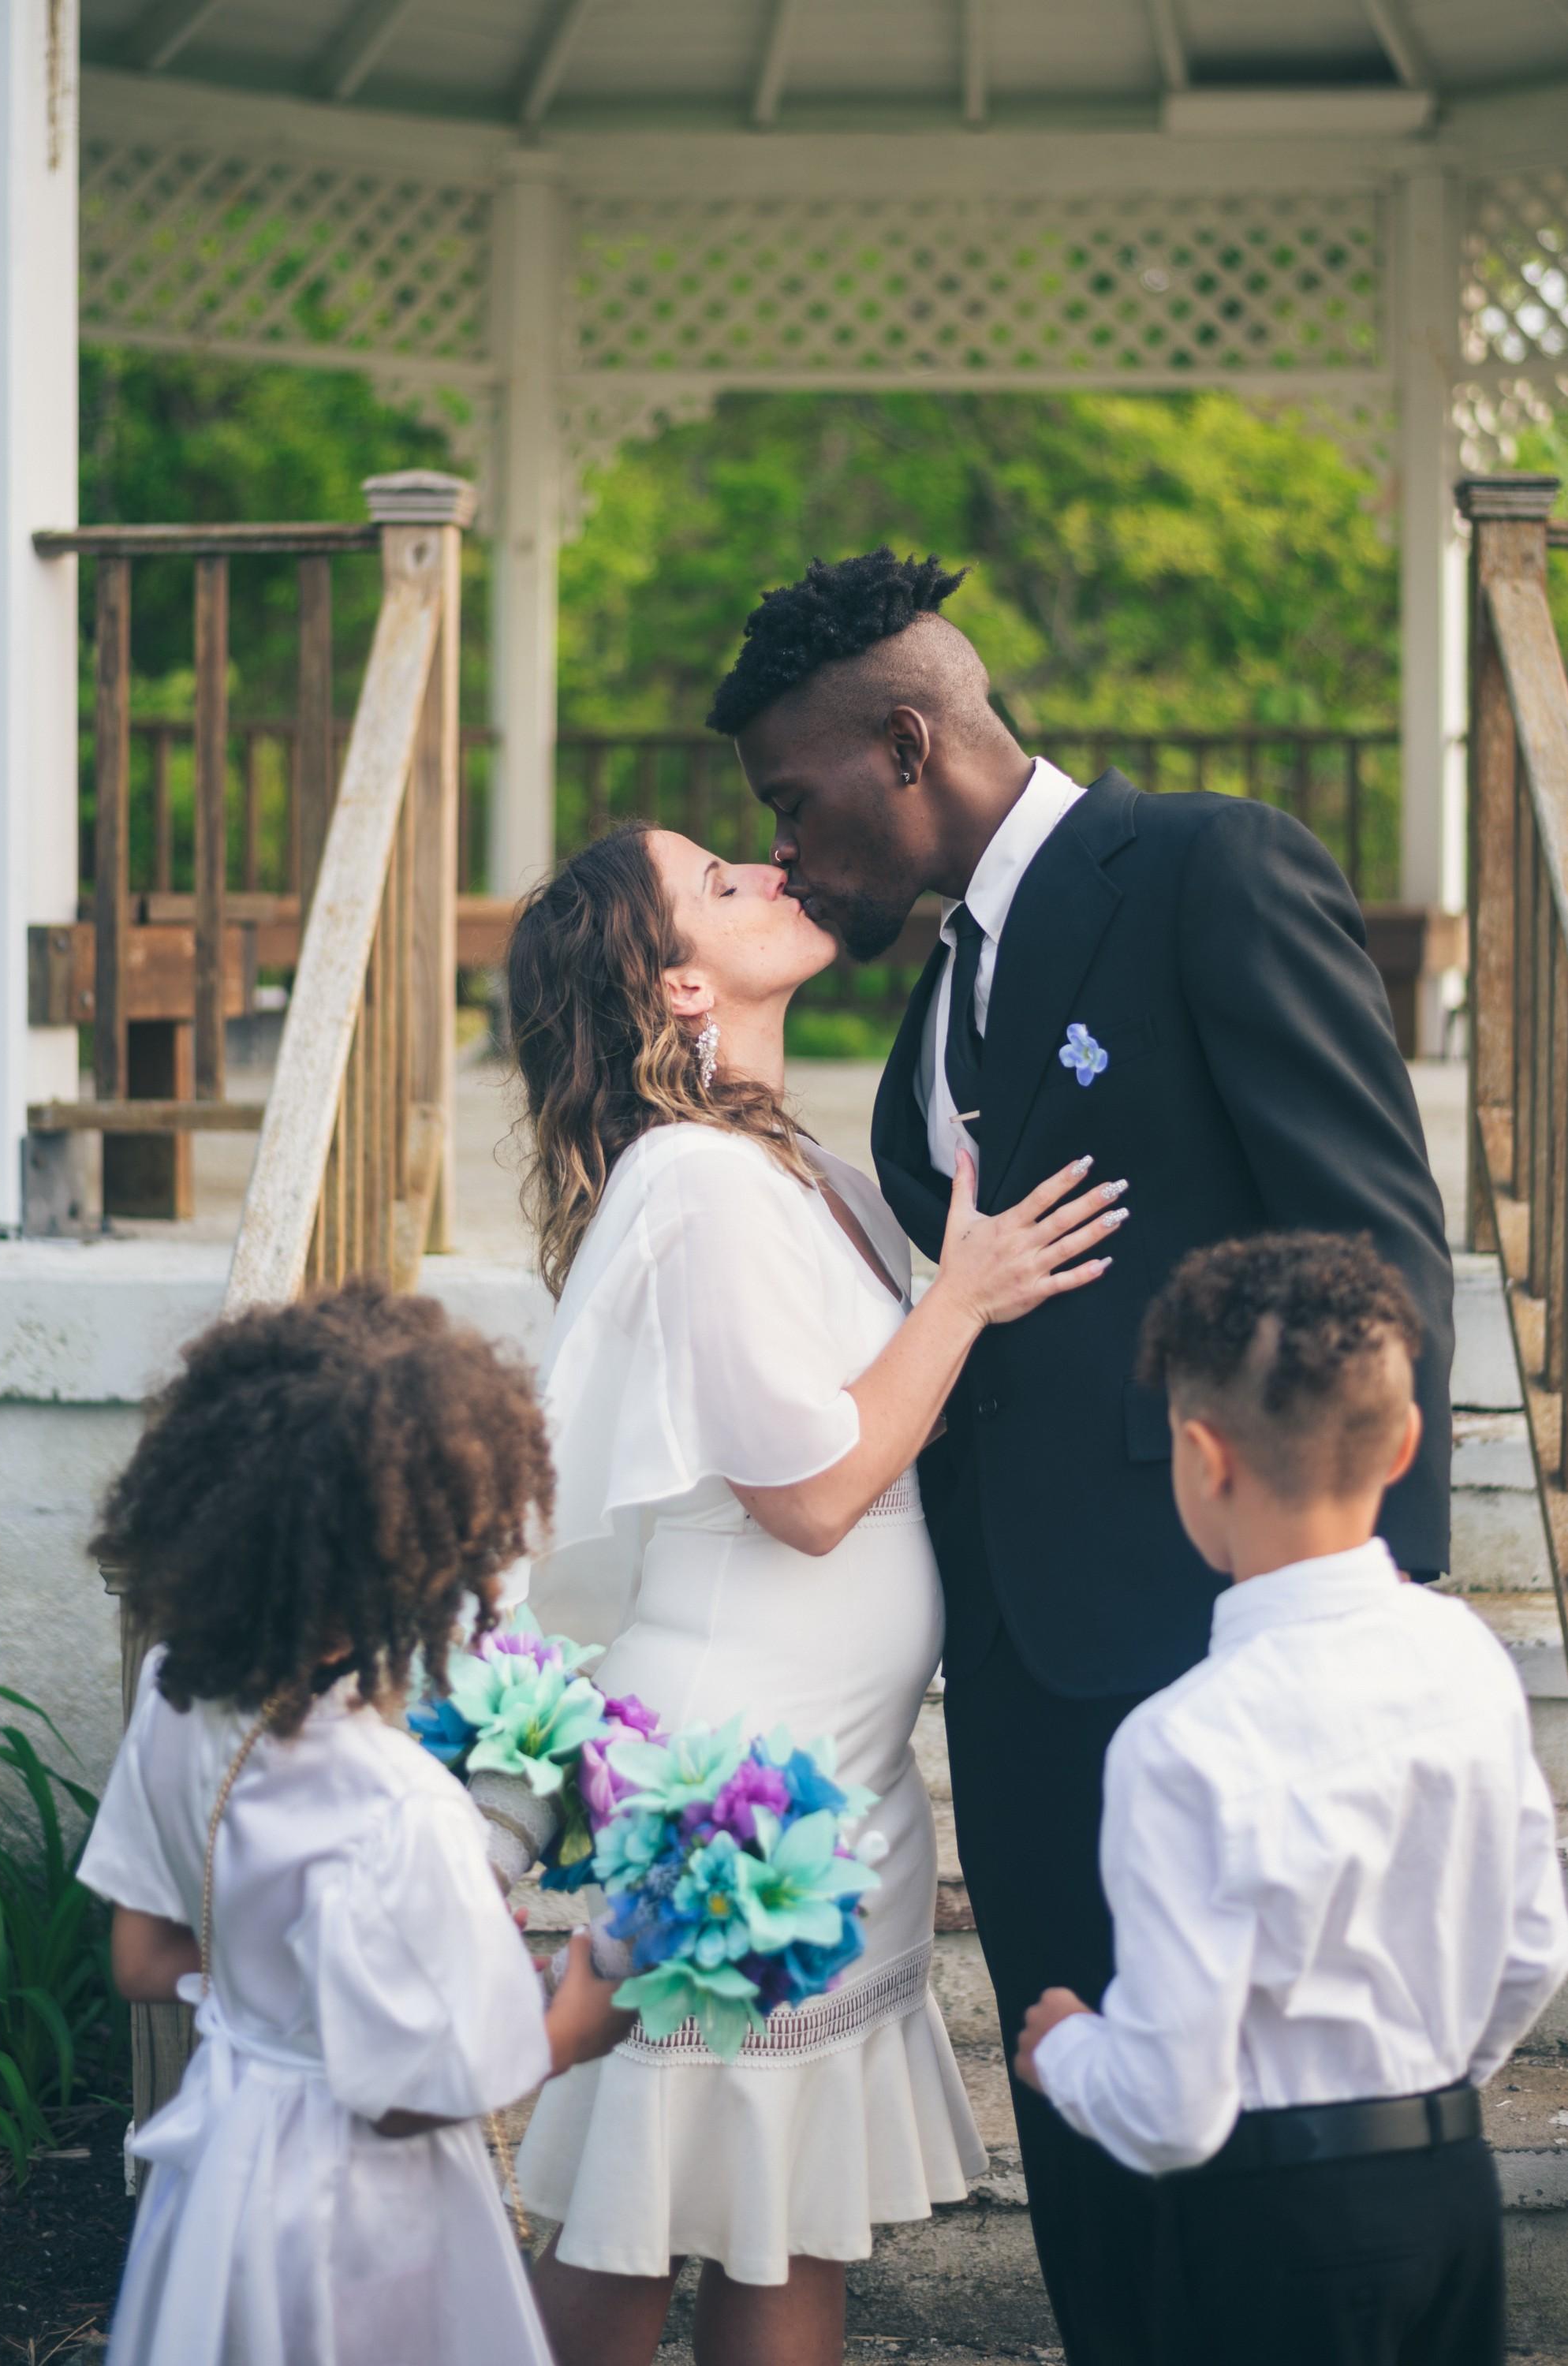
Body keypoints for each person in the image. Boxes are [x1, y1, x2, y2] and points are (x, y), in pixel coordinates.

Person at [710, 549, 1456, 2364]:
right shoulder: (940, 989)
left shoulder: (1208, 870)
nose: (786, 852)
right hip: (1027, 1673)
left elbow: (1375, 1252)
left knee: (1248, 2149)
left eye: (789, 805)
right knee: (1085, 2136)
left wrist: (1352, 1610)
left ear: (903, 744)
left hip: (1223, 1645)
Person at [502, 819, 1125, 2366]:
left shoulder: (814, 1178)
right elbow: (813, 1493)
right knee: (626, 2248)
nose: (769, 870)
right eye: (720, 884)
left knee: (777, 2221)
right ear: (672, 988)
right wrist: (966, 1292)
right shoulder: (695, 1184)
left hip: (839, 1790)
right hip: (727, 1793)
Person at [1016, 1231, 1568, 2366]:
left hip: (1270, 2225)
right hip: (1450, 2193)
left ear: (1202, 1458)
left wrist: (1065, 2050)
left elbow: (1171, 2110)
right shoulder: (1467, 1661)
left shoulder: (1179, 1744)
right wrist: (1418, 2099)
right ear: (1408, 1441)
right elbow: (1533, 1953)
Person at [78, 1279, 629, 2366]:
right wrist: (578, 2022)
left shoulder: (175, 1693)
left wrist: (287, 1996)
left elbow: (142, 1956)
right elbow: (410, 2102)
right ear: (425, 1567)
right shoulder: (399, 1805)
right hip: (358, 2219)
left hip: (222, 2175)